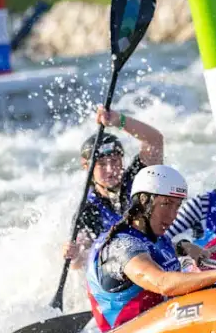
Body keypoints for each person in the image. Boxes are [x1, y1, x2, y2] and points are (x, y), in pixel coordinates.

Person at [87, 165, 216, 332]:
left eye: (177, 206)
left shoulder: (156, 238)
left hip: (158, 327)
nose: (173, 215)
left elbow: (154, 252)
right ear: (144, 201)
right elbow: (162, 283)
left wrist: (183, 246)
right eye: (166, 204)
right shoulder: (121, 246)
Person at [62, 106, 164, 270]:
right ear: (86, 166)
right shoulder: (87, 210)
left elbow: (155, 140)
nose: (111, 169)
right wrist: (74, 256)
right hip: (124, 271)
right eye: (102, 164)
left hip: (157, 255)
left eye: (115, 161)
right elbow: (81, 261)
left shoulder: (138, 178)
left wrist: (119, 121)